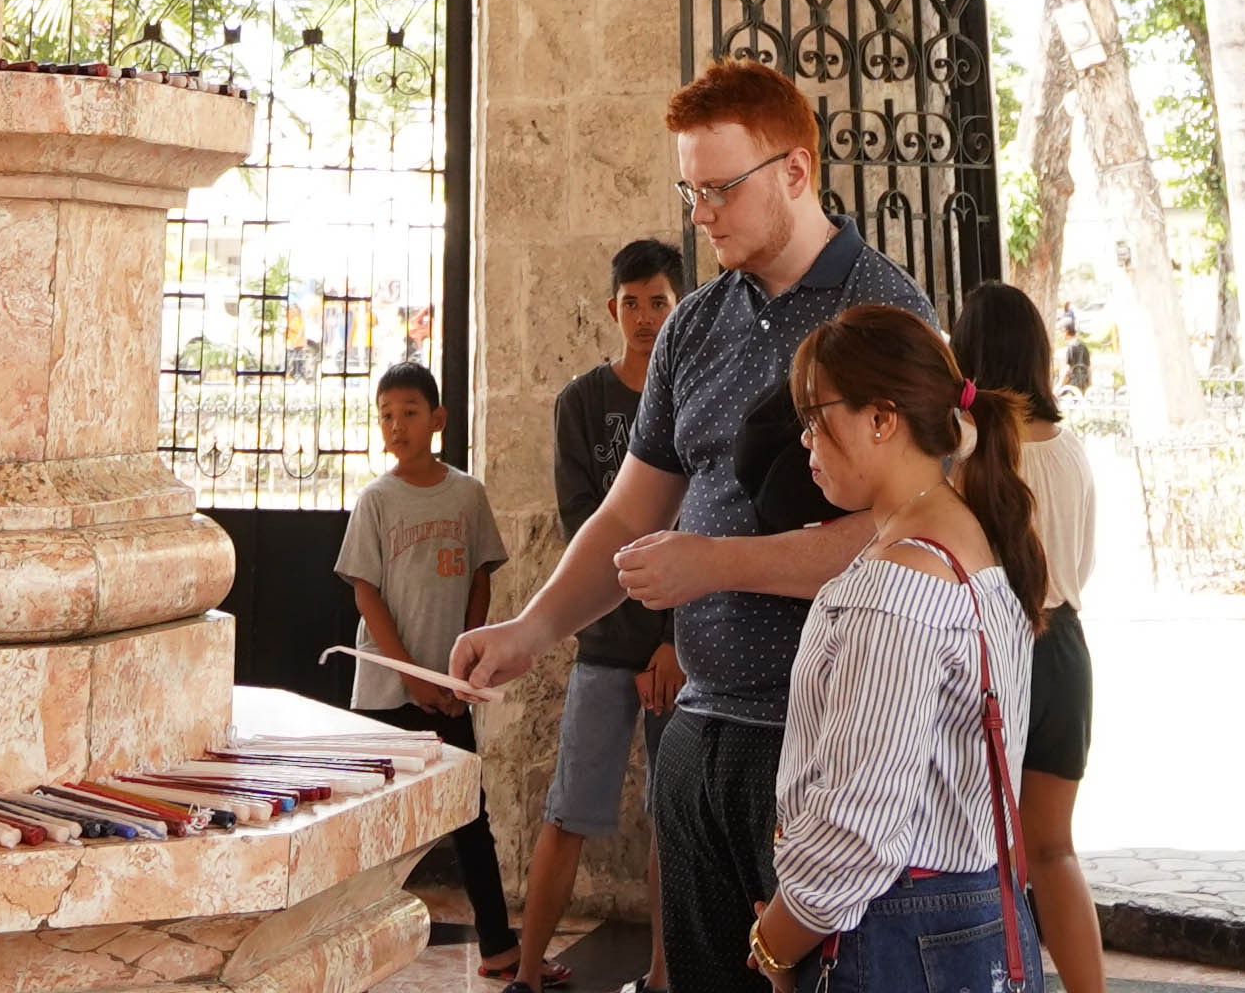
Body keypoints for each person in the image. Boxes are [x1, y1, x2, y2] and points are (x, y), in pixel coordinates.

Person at [450, 63, 936, 993]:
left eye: (721, 189)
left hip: (826, 741)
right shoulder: (694, 324)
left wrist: (715, 564)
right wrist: (531, 630)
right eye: (690, 191)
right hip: (698, 729)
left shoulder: (883, 313)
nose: (702, 215)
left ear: (795, 172)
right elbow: (629, 513)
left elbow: (907, 533)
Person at [741, 304, 1049, 993]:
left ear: (881, 418)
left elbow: (859, 829)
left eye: (815, 416)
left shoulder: (895, 586)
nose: (805, 440)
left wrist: (775, 943)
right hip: (980, 913)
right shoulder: (972, 541)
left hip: (897, 936)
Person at [513, 240, 694, 993]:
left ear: (680, 306)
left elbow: (702, 524)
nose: (645, 317)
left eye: (659, 302)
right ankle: (527, 972)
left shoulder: (693, 395)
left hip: (678, 653)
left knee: (671, 821)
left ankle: (661, 978)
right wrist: (627, 635)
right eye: (632, 303)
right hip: (604, 644)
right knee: (569, 810)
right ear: (611, 309)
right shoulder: (581, 403)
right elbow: (584, 524)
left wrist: (672, 643)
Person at [949, 284, 1105, 993]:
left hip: (996, 651)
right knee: (1054, 850)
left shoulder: (969, 450)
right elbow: (1083, 564)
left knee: (985, 853)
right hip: (1066, 650)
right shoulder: (1072, 451)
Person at [345, 362, 515, 961]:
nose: (397, 425)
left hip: (449, 691)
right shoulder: (375, 500)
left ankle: (498, 945)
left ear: (438, 419)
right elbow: (366, 594)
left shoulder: (468, 495)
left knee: (469, 817)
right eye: (386, 416)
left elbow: (479, 581)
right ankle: (353, 948)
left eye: (410, 413)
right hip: (386, 691)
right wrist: (410, 676)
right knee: (375, 823)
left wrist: (459, 671)